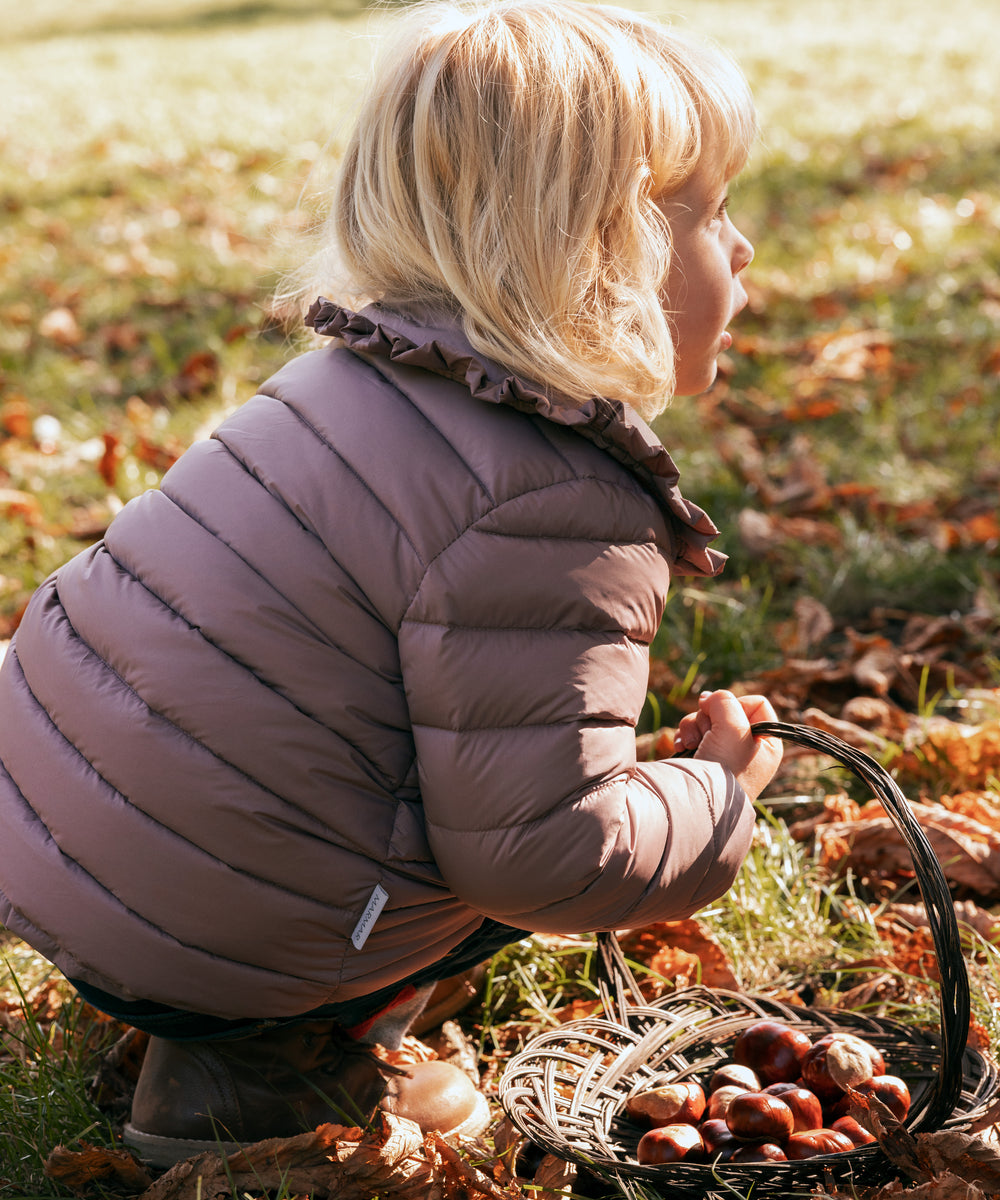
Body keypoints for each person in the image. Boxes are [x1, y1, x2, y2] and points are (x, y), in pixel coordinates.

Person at [0, 0, 782, 1170]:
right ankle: (258, 1079)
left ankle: (212, 992)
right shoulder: (552, 496)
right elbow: (539, 857)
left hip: (58, 834)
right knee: (486, 848)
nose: (742, 248)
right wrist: (713, 797)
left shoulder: (343, 382)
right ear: (606, 248)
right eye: (710, 212)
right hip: (219, 918)